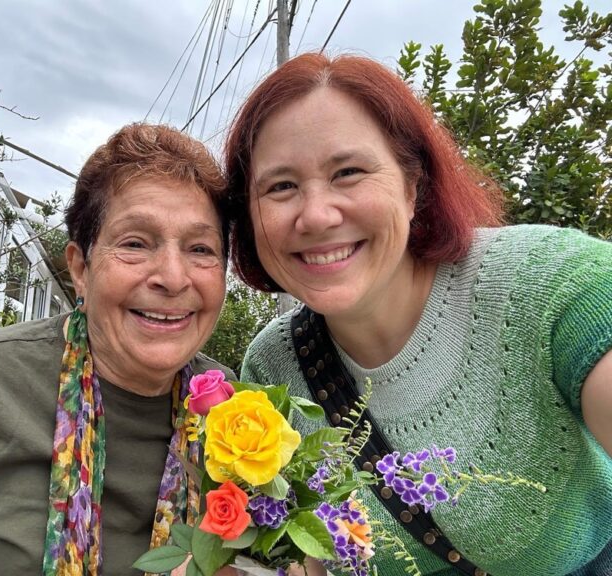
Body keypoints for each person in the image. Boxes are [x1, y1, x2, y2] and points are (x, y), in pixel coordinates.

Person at [225, 52, 612, 576]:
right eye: (280, 187)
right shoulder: (271, 372)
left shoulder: (552, 285)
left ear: (413, 187)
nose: (315, 215)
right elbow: (311, 552)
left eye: (348, 172)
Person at [0, 123, 236, 576]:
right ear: (80, 268)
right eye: (135, 243)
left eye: (201, 249)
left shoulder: (240, 419)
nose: (172, 276)